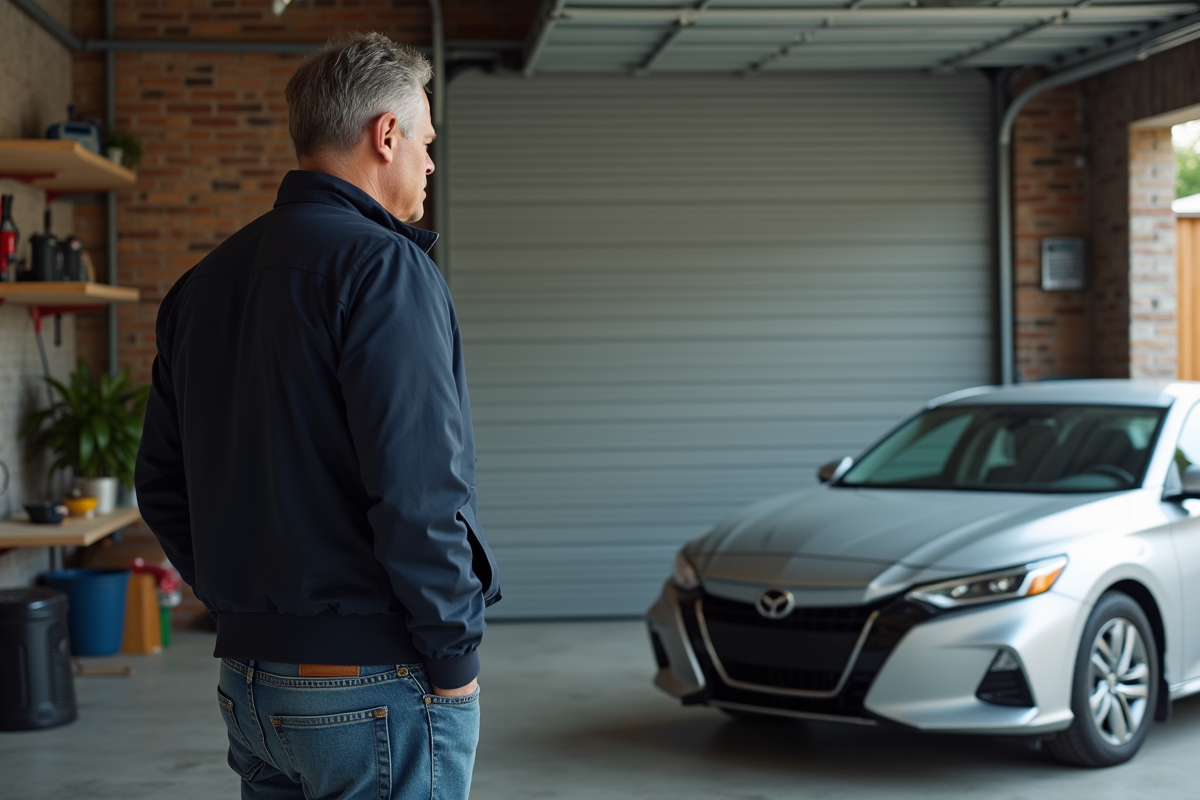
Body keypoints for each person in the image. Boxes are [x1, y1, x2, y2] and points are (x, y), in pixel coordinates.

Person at [135, 32, 500, 800]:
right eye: (427, 142)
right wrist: (454, 659)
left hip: (250, 684)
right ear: (386, 134)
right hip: (372, 685)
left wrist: (249, 607)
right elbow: (418, 490)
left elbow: (162, 482)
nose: (431, 165)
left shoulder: (202, 284)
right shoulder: (385, 268)